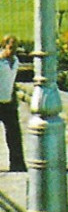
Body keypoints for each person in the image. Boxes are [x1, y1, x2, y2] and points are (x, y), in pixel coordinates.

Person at [0, 35, 22, 172]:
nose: (13, 50)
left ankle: (17, 164)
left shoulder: (15, 61)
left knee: (14, 134)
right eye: (10, 47)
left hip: (8, 103)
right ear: (3, 46)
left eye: (15, 47)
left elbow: (12, 82)